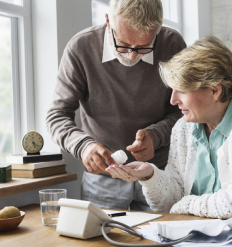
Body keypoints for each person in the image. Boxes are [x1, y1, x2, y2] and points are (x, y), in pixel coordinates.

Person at [106, 36, 232, 220]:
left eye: (181, 90)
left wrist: (186, 203)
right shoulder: (182, 129)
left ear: (215, 91)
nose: (173, 100)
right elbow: (170, 202)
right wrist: (150, 175)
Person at [46, 0, 186, 211]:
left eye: (143, 47)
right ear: (108, 21)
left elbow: (183, 111)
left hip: (158, 173)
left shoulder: (172, 44)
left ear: (157, 30)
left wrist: (156, 136)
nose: (131, 55)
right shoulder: (80, 48)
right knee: (101, 242)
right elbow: (56, 115)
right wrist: (84, 146)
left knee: (161, 241)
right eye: (123, 43)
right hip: (103, 178)